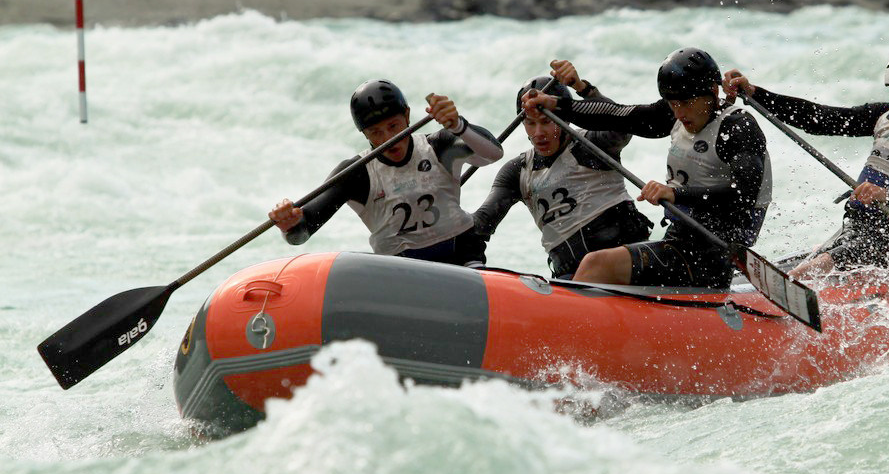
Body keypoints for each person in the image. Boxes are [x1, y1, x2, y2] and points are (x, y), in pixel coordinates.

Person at [522, 47, 772, 289]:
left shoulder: (737, 128)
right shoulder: (677, 113)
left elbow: (745, 195)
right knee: (596, 270)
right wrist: (558, 105)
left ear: (713, 91)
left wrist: (675, 194)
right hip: (682, 242)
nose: (679, 113)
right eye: (673, 103)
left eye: (686, 103)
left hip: (717, 251)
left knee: (596, 265)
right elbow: (619, 115)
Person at [722, 47, 889, 279]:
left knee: (814, 267)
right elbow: (819, 118)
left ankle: (799, 277)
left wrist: (888, 196)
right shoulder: (884, 116)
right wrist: (755, 93)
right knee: (817, 258)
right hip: (858, 229)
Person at [269, 79, 504, 266]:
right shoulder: (356, 174)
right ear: (364, 134)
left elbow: (493, 154)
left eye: (393, 126)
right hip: (400, 269)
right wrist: (290, 223)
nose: (388, 139)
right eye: (376, 132)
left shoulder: (439, 146)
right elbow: (300, 234)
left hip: (462, 255)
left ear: (407, 116)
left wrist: (458, 125)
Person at [474, 60, 653, 278]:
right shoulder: (517, 172)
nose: (539, 133)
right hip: (571, 279)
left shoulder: (593, 145)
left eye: (546, 121)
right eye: (530, 123)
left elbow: (622, 124)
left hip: (629, 269)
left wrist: (584, 89)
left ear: (566, 118)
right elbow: (480, 225)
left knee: (594, 266)